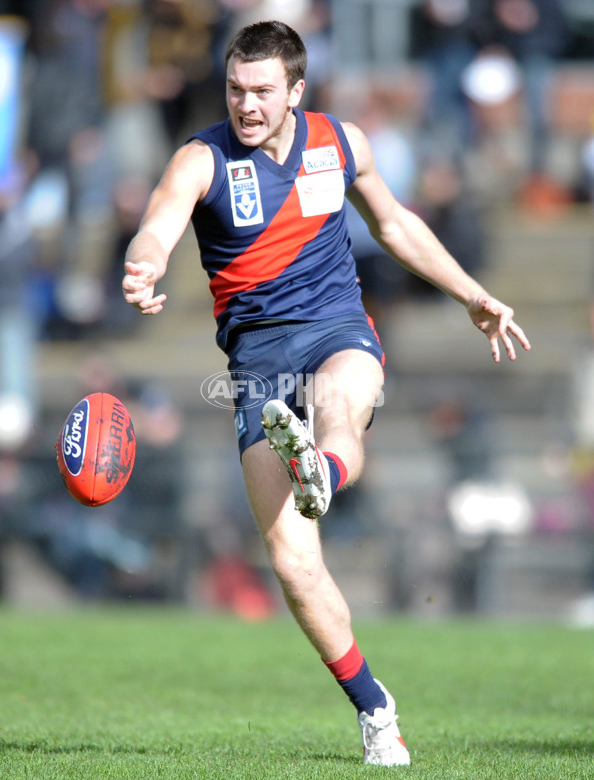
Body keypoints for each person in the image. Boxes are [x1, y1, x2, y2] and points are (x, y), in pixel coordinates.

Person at [122, 20, 531, 767]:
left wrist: (471, 294)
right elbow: (159, 224)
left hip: (337, 326)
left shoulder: (339, 143)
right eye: (236, 90)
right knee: (293, 564)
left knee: (343, 403)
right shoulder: (201, 157)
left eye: (262, 92)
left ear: (297, 92)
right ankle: (376, 708)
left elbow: (397, 224)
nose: (246, 105)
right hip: (257, 363)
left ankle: (323, 468)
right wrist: (143, 265)